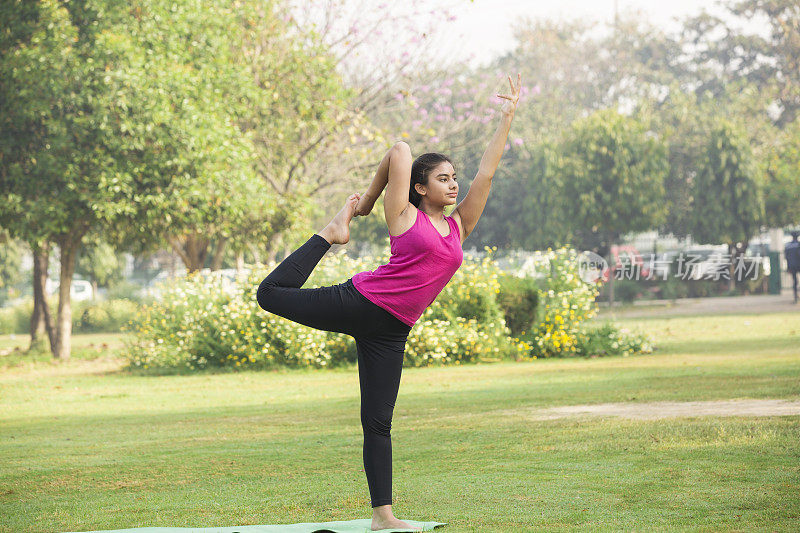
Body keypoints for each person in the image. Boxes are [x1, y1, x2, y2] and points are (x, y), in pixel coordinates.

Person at [256, 74, 521, 531]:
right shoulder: (402, 217)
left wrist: (507, 118)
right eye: (443, 178)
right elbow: (399, 149)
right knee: (270, 295)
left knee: (378, 422)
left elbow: (488, 174)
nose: (454, 185)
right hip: (362, 302)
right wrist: (363, 206)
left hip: (394, 330)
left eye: (454, 178)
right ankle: (328, 234)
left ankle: (383, 516)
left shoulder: (458, 228)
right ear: (420, 188)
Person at [785, 230, 800, 304]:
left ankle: (795, 297)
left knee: (795, 281)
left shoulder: (788, 246)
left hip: (791, 265)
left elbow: (786, 257)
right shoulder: (798, 245)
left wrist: (788, 267)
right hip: (798, 264)